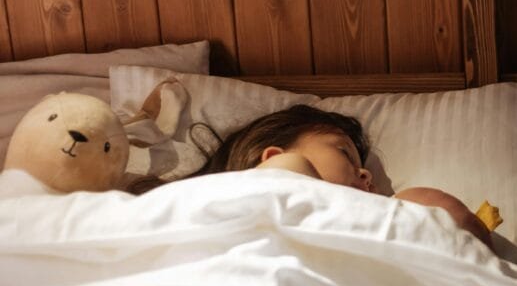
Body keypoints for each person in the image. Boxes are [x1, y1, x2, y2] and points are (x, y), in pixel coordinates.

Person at [201, 105, 493, 249]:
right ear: (272, 157)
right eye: (344, 153)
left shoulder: (389, 214)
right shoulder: (279, 175)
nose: (366, 173)